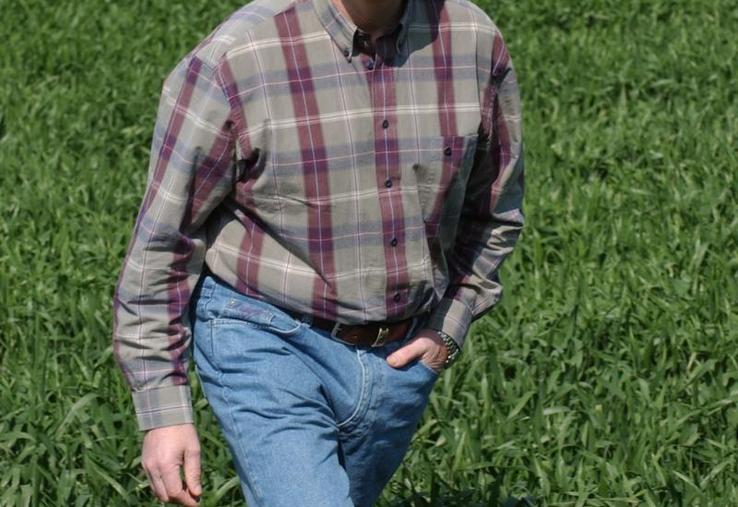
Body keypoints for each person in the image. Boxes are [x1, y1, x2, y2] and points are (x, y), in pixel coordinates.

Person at [112, 0, 524, 504]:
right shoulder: (240, 56)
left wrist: (449, 327)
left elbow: (494, 211)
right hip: (265, 334)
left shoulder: (472, 41)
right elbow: (164, 240)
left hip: (401, 361)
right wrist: (163, 409)